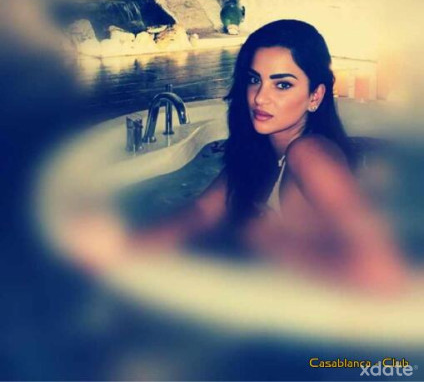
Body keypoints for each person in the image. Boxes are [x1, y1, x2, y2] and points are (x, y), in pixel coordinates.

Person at [65, 20, 407, 292]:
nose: (260, 98)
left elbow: (382, 273)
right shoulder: (261, 152)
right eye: (254, 80)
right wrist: (121, 250)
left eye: (282, 84)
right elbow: (199, 213)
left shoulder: (311, 154)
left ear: (315, 96)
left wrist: (276, 242)